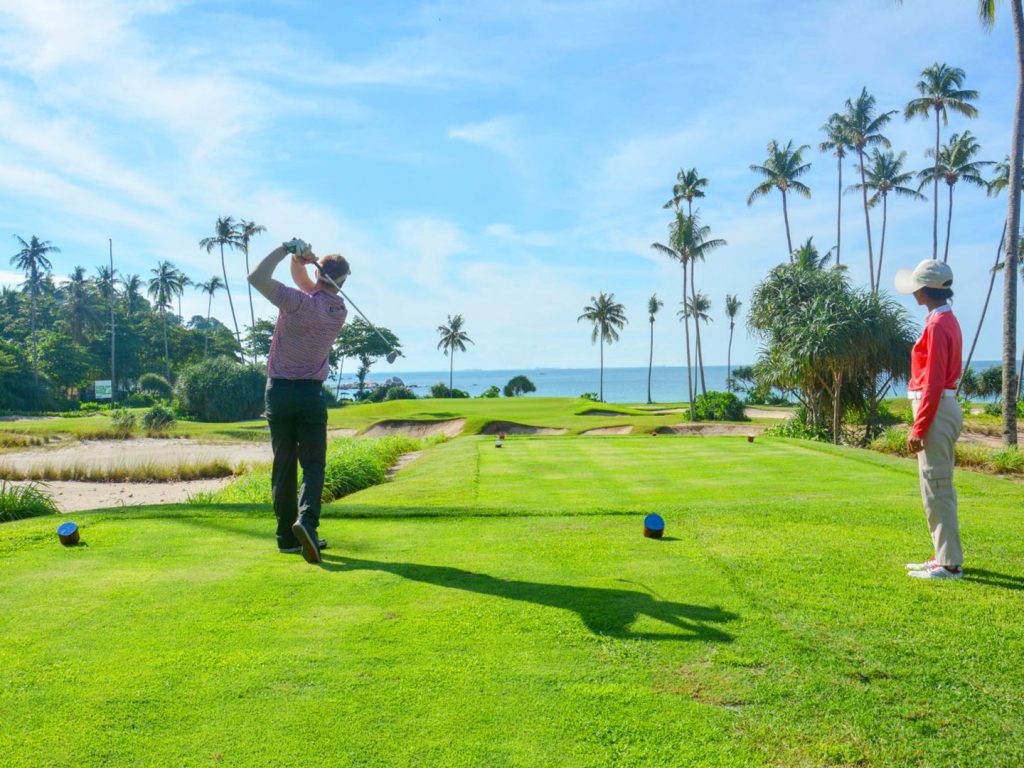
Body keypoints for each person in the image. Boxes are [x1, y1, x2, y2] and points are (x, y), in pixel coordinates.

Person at [248, 239, 350, 565]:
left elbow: (256, 277)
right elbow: (309, 285)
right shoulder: (338, 310)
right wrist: (300, 260)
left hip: (277, 392)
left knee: (284, 465)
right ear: (342, 282)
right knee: (314, 464)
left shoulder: (296, 303)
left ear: (319, 272)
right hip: (310, 395)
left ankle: (286, 540)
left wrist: (284, 250)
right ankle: (305, 522)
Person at [894, 259, 963, 580]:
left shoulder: (937, 325)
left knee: (936, 486)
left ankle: (949, 564)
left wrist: (918, 427)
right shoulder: (943, 320)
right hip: (941, 409)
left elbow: (933, 381)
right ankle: (942, 556)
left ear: (925, 290)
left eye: (917, 288)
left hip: (934, 411)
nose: (914, 293)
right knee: (936, 485)